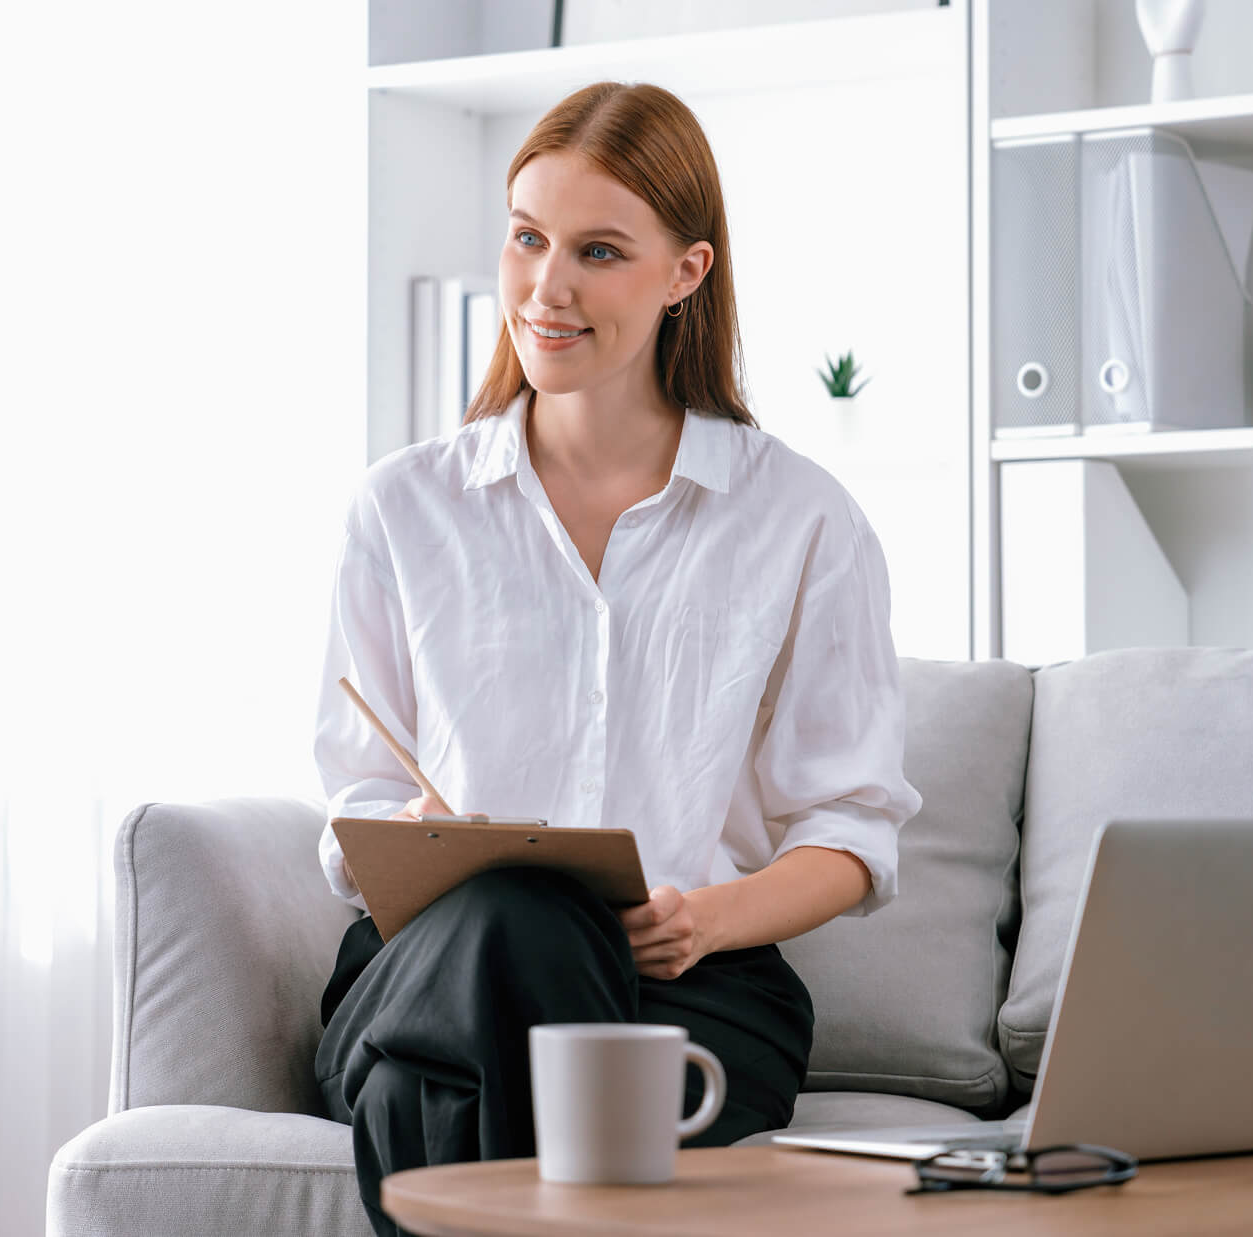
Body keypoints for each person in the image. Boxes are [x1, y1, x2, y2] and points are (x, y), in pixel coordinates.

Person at [310, 80, 923, 1237]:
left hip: (695, 997)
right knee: (514, 916)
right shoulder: (400, 508)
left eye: (597, 250)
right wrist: (422, 840)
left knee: (412, 1087)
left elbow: (849, 831)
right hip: (428, 969)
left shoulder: (798, 519)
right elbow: (356, 795)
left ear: (685, 272)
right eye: (527, 237)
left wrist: (710, 915)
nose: (545, 288)